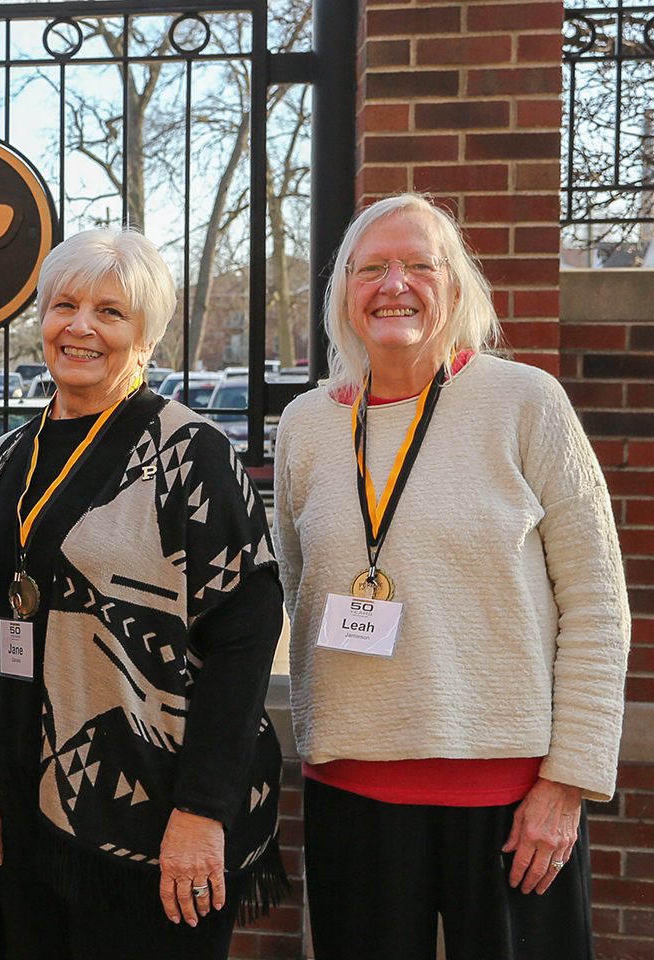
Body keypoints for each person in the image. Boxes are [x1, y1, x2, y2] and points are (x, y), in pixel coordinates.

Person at [275, 193, 629, 960]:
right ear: (344, 294)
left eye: (417, 265)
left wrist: (568, 781)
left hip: (510, 802)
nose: (392, 283)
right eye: (370, 268)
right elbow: (297, 584)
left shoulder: (525, 401)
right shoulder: (308, 425)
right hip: (352, 792)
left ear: (457, 288)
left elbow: (598, 602)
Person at [0, 229, 287, 959]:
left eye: (110, 312)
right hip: (23, 806)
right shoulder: (6, 456)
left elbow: (246, 640)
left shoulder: (191, 452)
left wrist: (202, 812)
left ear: (147, 336)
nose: (81, 327)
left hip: (153, 819)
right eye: (64, 305)